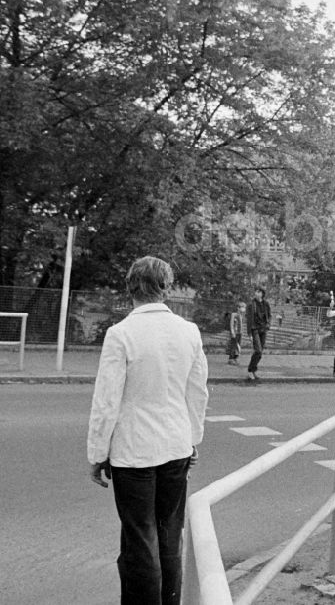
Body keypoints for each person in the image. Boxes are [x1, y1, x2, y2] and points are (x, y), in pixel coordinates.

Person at [87, 256, 209, 605]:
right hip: (176, 447)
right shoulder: (189, 332)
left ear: (131, 288)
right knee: (171, 531)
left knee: (140, 536)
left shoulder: (121, 335)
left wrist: (97, 454)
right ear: (166, 289)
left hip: (133, 452)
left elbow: (106, 401)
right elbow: (197, 392)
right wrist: (192, 438)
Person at [246, 287, 271, 381]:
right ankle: (250, 370)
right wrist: (249, 334)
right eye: (256, 292)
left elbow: (269, 315)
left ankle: (253, 370)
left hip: (263, 330)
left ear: (262, 294)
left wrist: (268, 324)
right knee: (258, 351)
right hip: (254, 329)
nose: (256, 293)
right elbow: (248, 320)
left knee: (260, 353)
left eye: (258, 292)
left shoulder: (266, 304)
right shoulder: (251, 305)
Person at [227, 301, 246, 365]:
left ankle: (236, 358)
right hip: (234, 333)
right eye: (242, 307)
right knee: (233, 345)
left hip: (240, 333)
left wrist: (242, 332)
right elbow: (231, 324)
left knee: (238, 346)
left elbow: (241, 324)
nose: (243, 309)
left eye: (244, 307)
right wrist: (232, 332)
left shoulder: (241, 315)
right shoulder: (234, 314)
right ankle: (231, 359)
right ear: (238, 308)